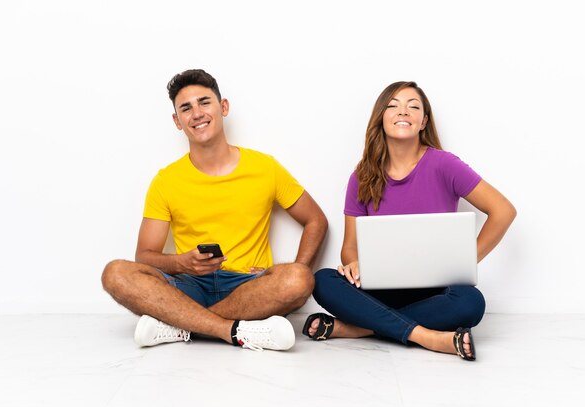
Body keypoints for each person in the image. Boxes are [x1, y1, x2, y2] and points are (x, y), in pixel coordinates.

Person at [102, 69, 328, 351]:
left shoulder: (265, 168)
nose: (197, 113)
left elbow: (315, 220)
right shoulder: (166, 180)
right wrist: (182, 263)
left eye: (204, 102)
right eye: (186, 107)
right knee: (115, 273)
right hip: (189, 286)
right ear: (177, 121)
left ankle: (182, 326)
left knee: (299, 278)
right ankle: (230, 330)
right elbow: (144, 255)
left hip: (249, 286)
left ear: (223, 107)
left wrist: (299, 266)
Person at [302, 81, 516, 360]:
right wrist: (352, 263)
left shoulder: (444, 164)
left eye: (413, 106)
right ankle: (426, 336)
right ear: (381, 117)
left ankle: (358, 328)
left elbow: (503, 210)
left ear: (423, 121)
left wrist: (466, 260)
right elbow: (349, 247)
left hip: (435, 289)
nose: (403, 111)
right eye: (393, 105)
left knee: (471, 302)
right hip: (380, 288)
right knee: (322, 280)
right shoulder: (361, 176)